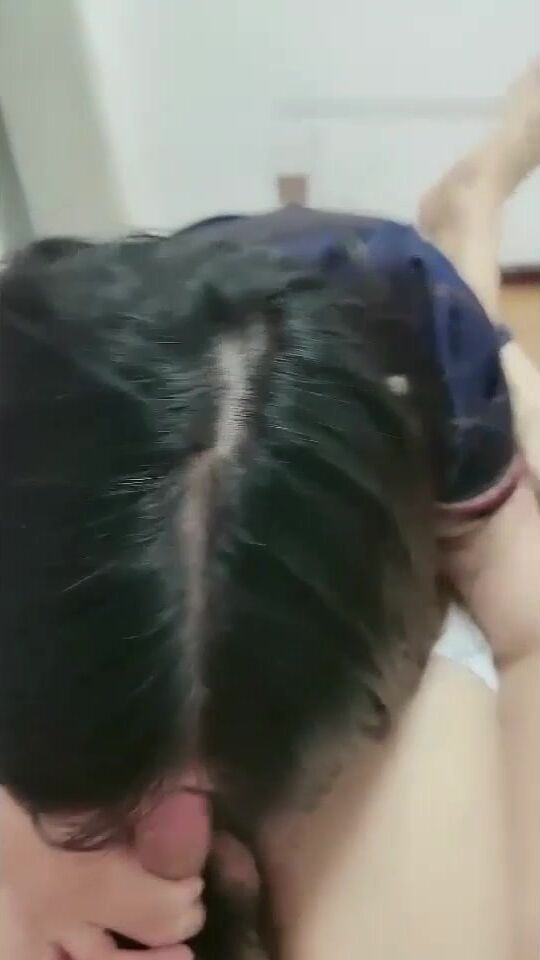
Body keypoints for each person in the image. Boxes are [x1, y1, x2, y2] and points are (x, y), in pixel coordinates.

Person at [0, 62, 538, 960]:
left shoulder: (429, 366)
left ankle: (470, 207)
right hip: (118, 367)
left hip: (395, 327)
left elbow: (527, 628)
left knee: (508, 395)